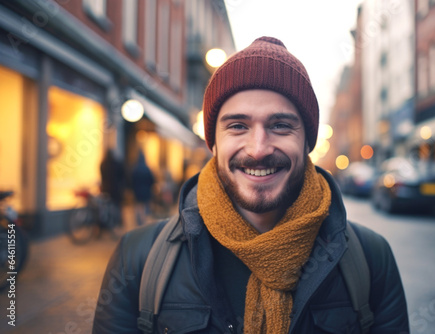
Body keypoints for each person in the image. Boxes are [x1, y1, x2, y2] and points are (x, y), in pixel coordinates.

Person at [93, 37, 409, 333]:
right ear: (213, 142)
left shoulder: (370, 259)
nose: (258, 149)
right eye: (238, 126)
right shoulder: (139, 259)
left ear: (306, 143)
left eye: (281, 126)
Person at [100, 149, 125, 225]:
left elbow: (102, 176)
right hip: (115, 189)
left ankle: (107, 222)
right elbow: (122, 175)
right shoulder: (117, 164)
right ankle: (117, 221)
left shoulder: (103, 164)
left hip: (106, 189)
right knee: (117, 206)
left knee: (106, 207)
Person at [131, 150, 155, 226]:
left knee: (138, 207)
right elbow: (152, 180)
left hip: (137, 191)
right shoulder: (147, 169)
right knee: (145, 207)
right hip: (146, 191)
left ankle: (138, 223)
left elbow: (132, 181)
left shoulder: (135, 169)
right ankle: (144, 222)